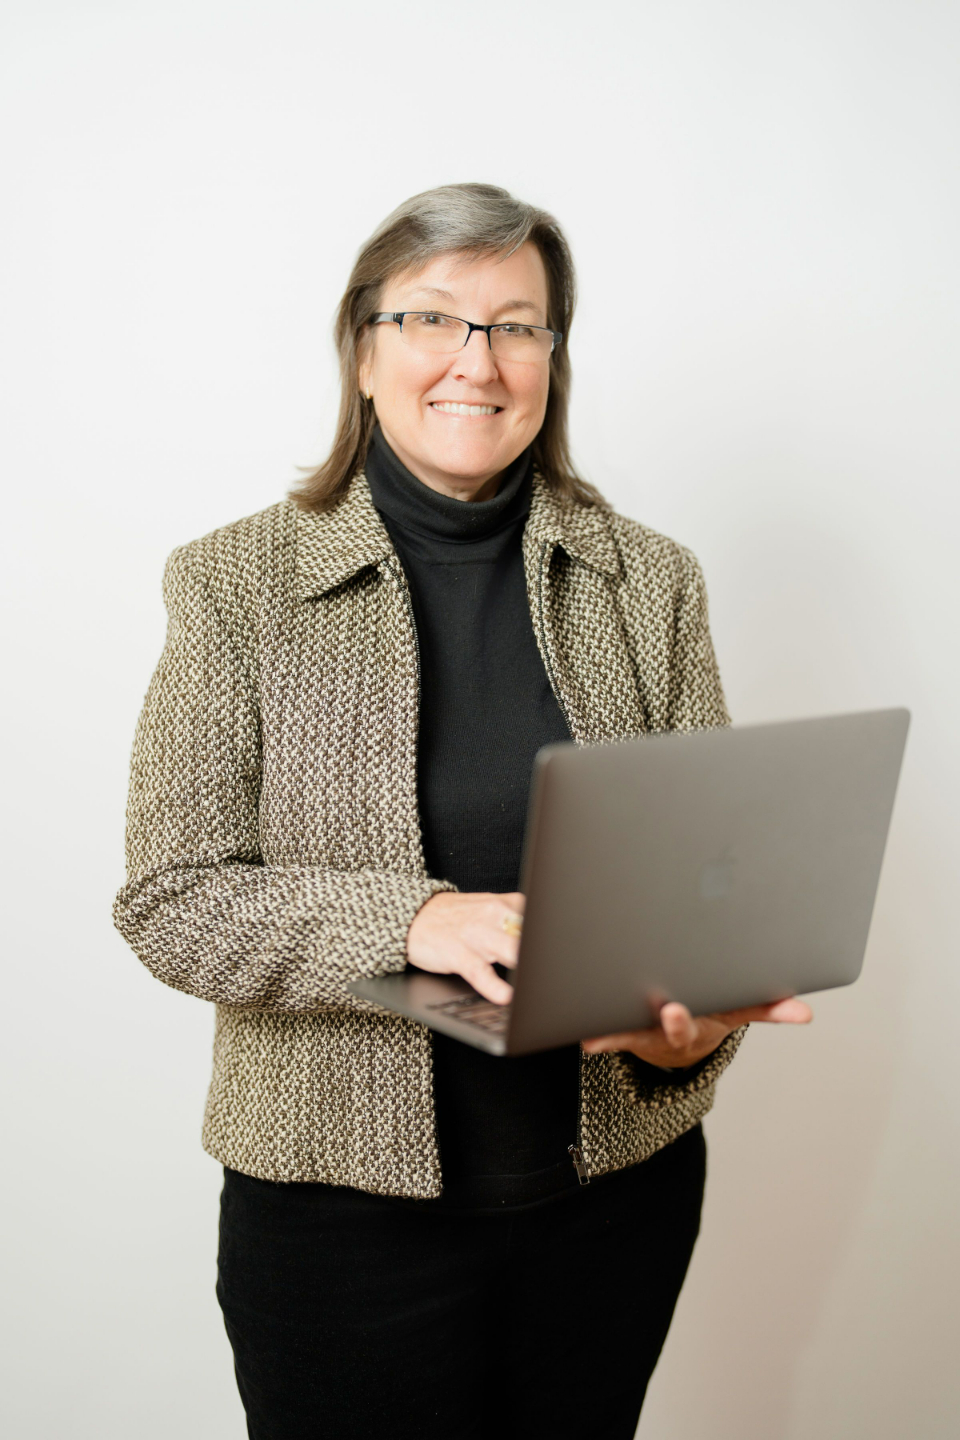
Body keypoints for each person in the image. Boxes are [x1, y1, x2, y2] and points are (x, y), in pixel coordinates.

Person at [113, 182, 812, 1439]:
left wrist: (687, 1037)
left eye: (516, 326)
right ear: (363, 350)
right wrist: (414, 920)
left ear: (553, 356)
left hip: (610, 1205)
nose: (476, 362)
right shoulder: (234, 584)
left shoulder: (649, 582)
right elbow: (173, 898)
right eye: (432, 318)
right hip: (336, 1222)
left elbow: (705, 889)